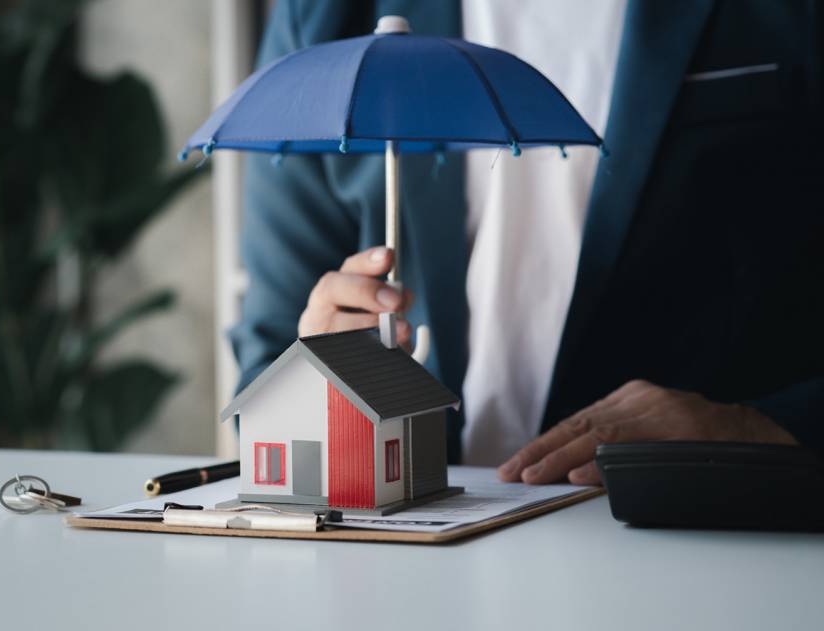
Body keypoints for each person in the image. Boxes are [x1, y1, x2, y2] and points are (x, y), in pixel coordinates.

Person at [231, 0, 824, 484]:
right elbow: (269, 355)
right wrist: (311, 398)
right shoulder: (324, 16)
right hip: (411, 545)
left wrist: (757, 426)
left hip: (700, 526)